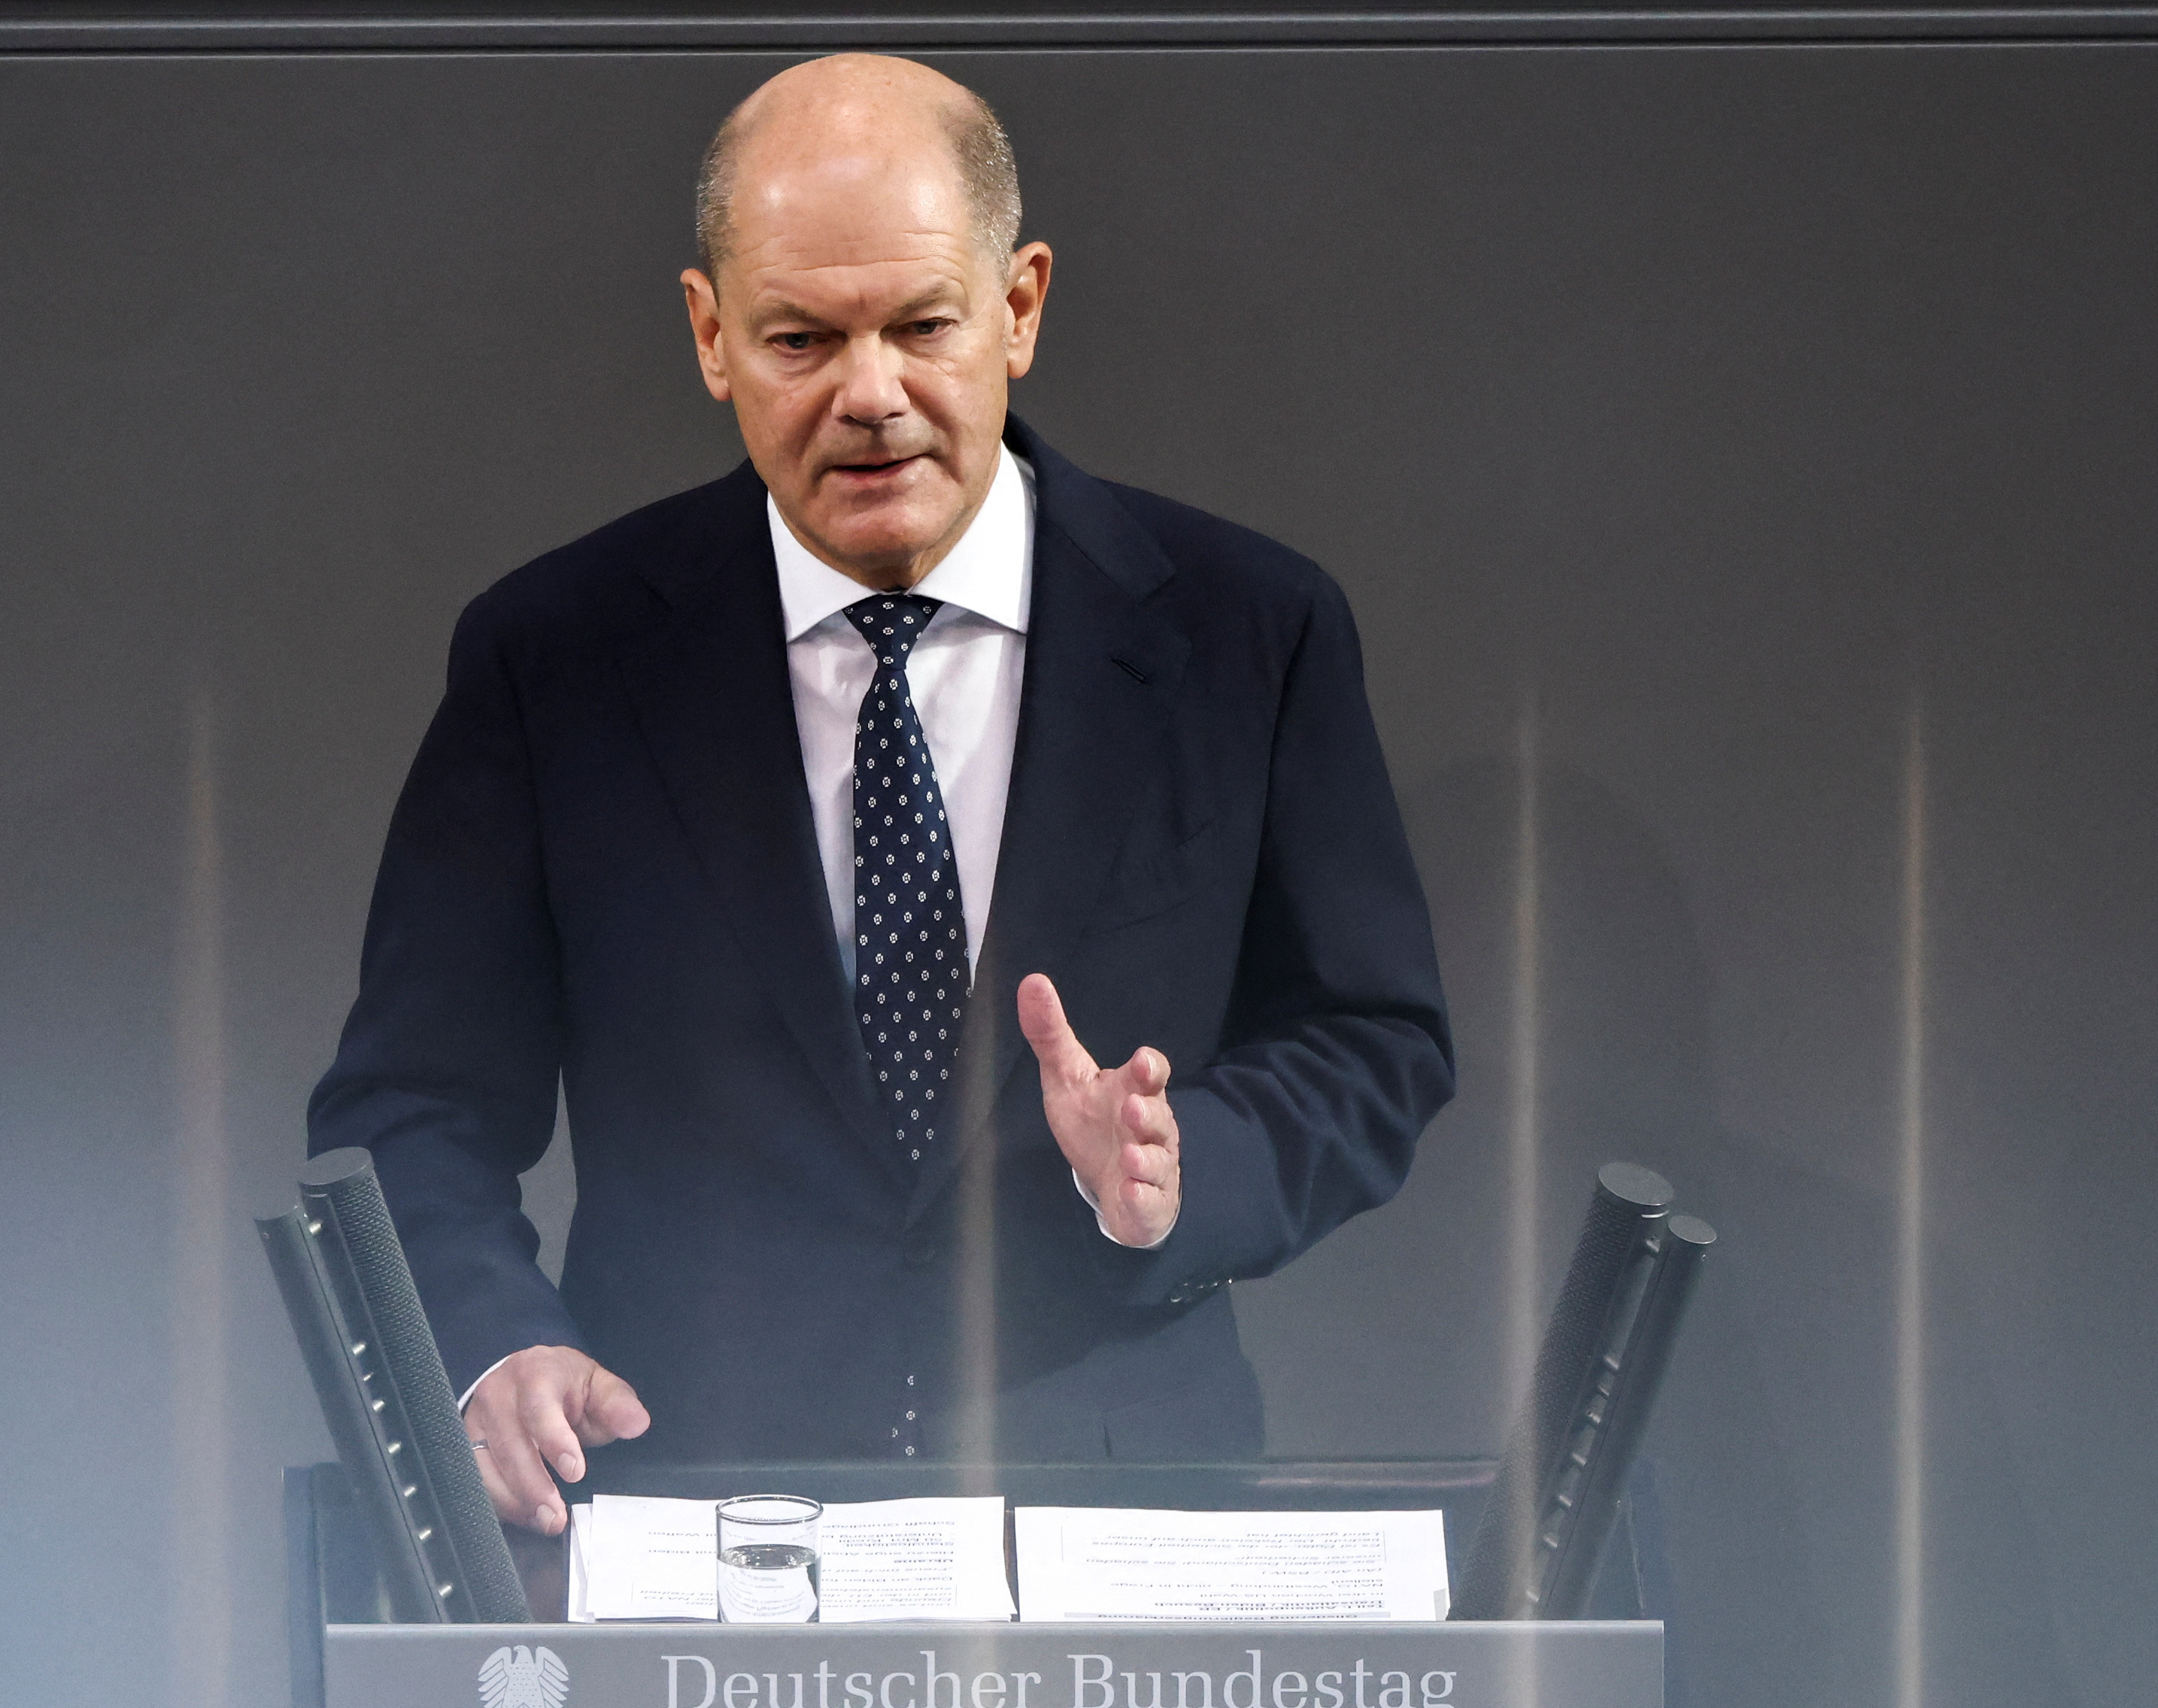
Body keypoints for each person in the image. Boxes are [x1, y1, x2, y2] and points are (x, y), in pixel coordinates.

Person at [308, 52, 1452, 1532]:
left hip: (1115, 1530)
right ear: (710, 334)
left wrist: (1179, 1175)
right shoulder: (555, 658)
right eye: (800, 338)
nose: (870, 395)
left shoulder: (1248, 627)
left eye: (921, 325)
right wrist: (490, 1340)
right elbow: (408, 1099)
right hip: (685, 1516)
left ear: (1019, 306)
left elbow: (1372, 1037)